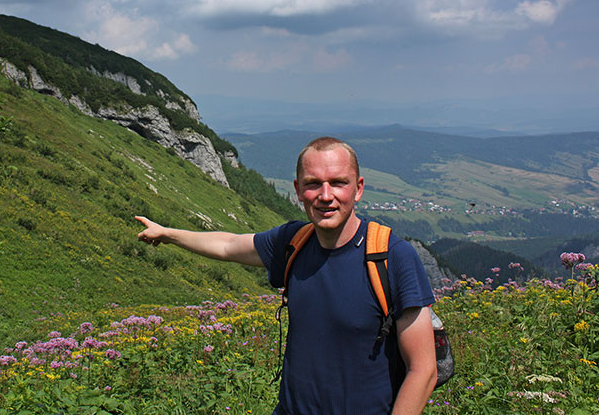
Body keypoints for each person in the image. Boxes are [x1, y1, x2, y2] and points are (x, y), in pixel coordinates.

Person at [135, 136, 437, 415]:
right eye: (313, 184)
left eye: (338, 182)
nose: (325, 195)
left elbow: (423, 370)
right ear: (297, 191)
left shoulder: (392, 257)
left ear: (358, 188)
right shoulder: (294, 242)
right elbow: (228, 245)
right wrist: (167, 234)